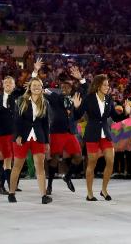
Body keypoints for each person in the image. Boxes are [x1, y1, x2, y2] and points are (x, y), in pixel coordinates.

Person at [72, 73, 130, 201]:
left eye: (108, 85)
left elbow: (115, 118)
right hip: (92, 134)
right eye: (105, 85)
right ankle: (89, 193)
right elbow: (77, 115)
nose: (107, 87)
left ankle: (104, 190)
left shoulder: (109, 99)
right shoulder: (88, 98)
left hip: (105, 134)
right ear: (98, 85)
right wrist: (75, 107)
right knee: (92, 163)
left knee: (110, 160)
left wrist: (126, 113)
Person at [6, 77, 52, 204]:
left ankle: (44, 196)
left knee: (40, 167)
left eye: (39, 85)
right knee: (17, 166)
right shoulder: (21, 100)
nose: (37, 87)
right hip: (22, 137)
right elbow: (16, 120)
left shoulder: (45, 103)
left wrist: (47, 141)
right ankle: (11, 193)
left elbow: (45, 124)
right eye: (34, 85)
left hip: (39, 137)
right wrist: (18, 135)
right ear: (30, 87)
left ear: (42, 88)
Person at [46, 67, 86, 195]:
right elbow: (41, 90)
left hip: (70, 132)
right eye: (62, 86)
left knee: (78, 157)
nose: (64, 88)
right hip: (57, 131)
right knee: (55, 158)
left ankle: (67, 176)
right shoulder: (54, 97)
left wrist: (81, 79)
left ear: (71, 88)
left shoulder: (75, 98)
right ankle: (49, 185)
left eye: (67, 86)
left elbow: (86, 91)